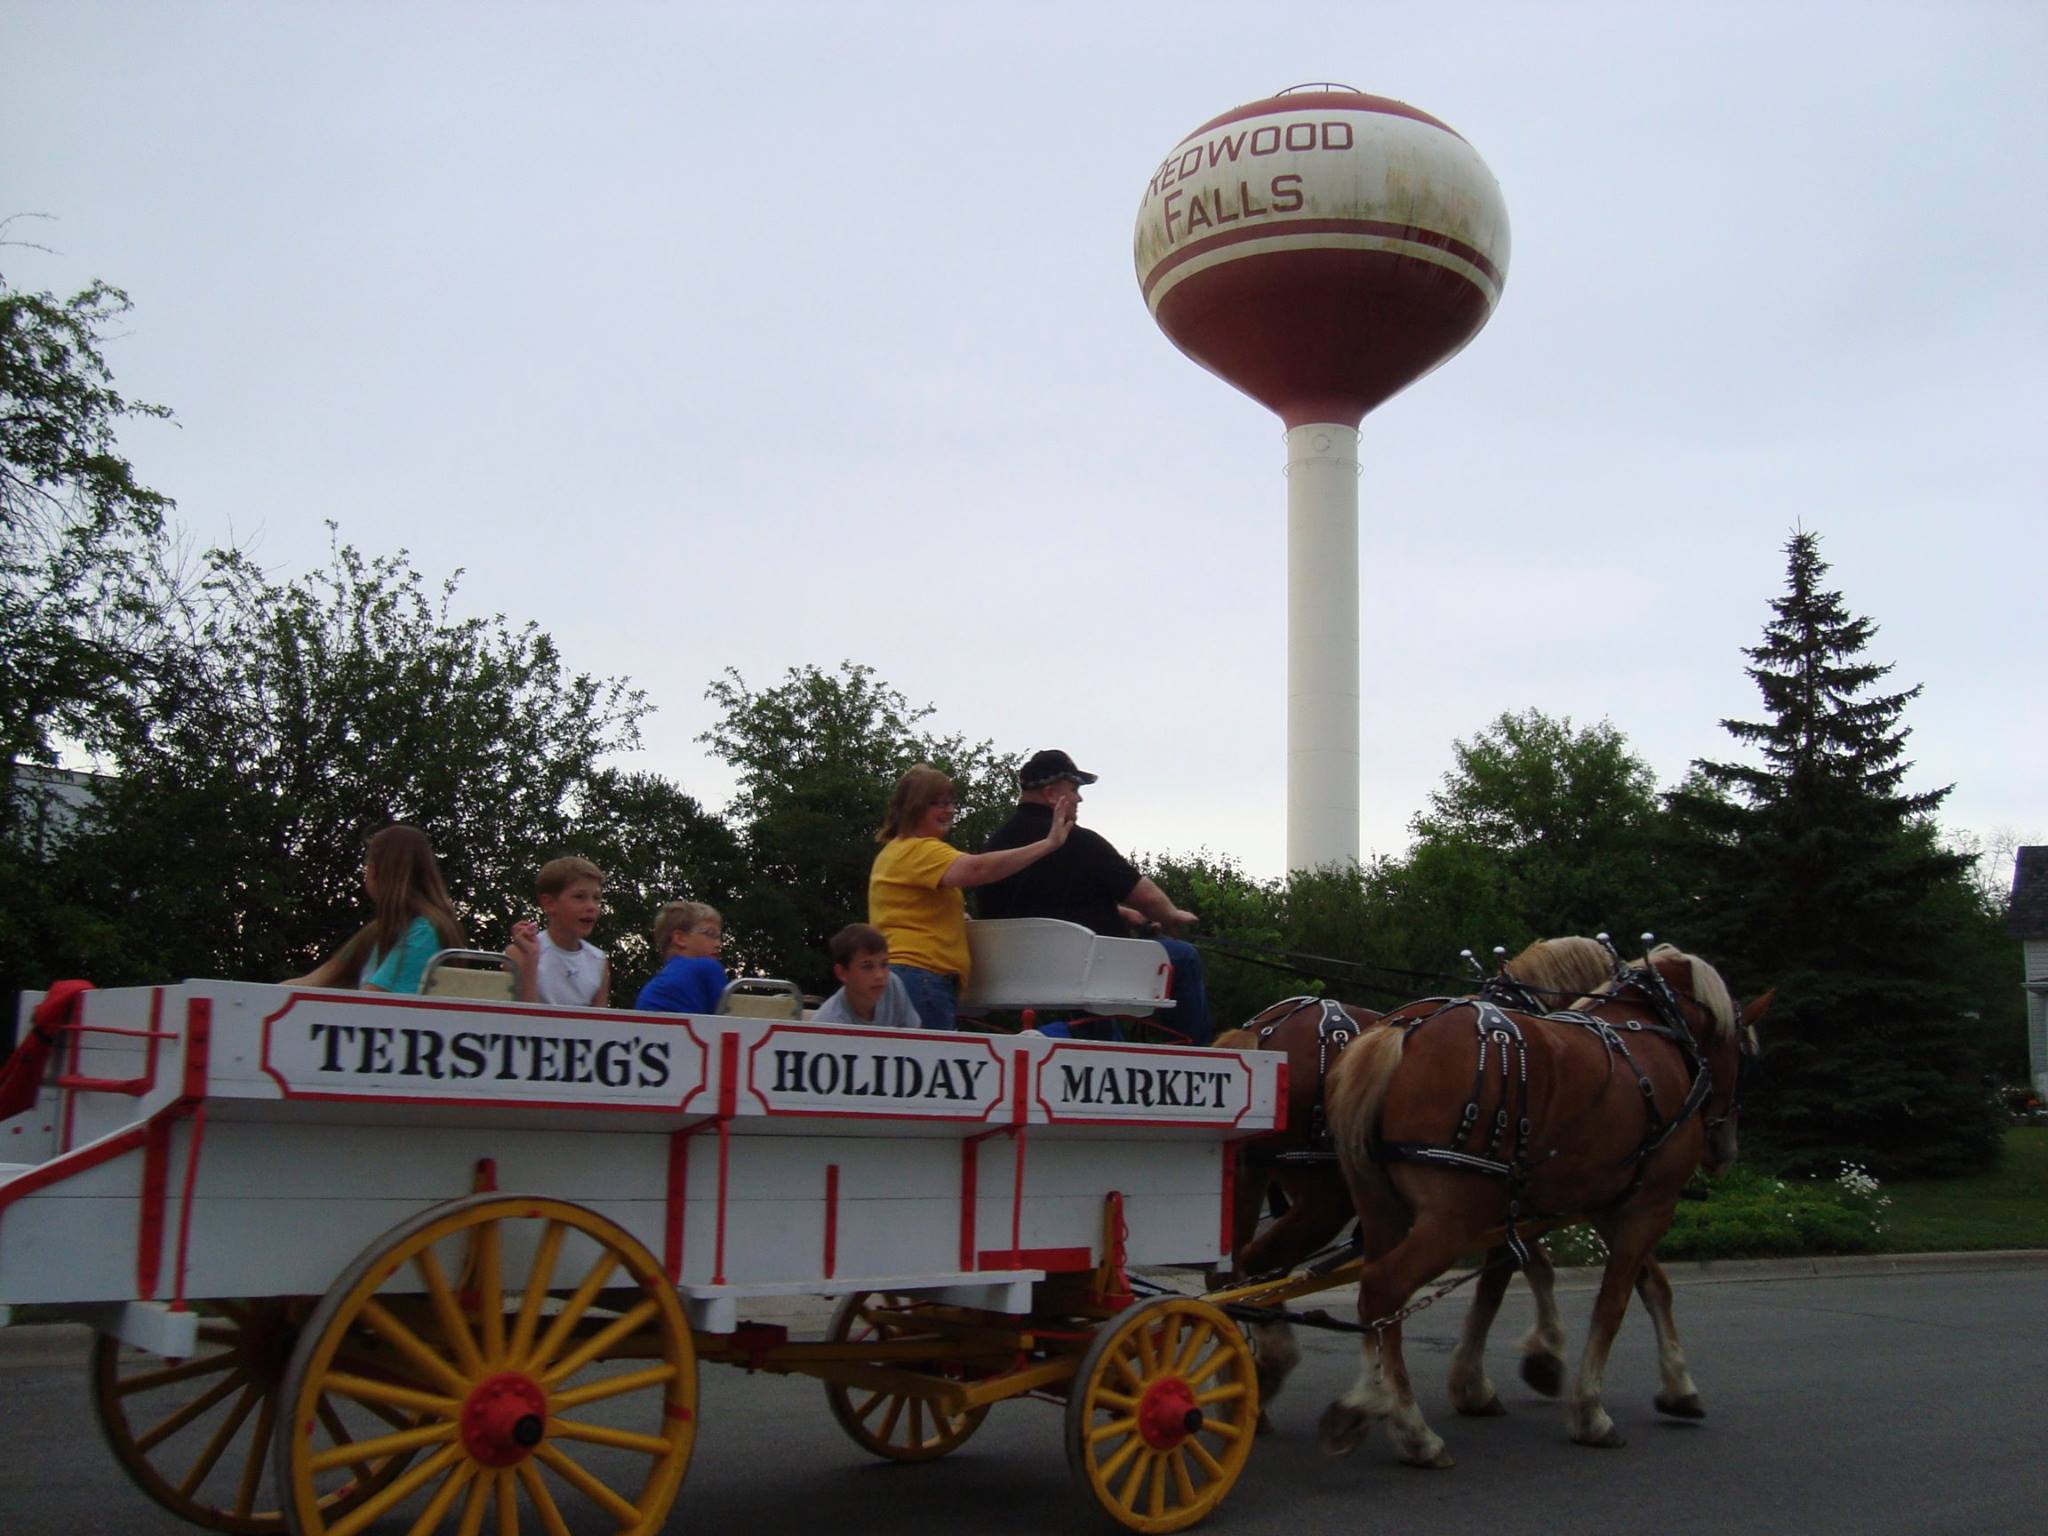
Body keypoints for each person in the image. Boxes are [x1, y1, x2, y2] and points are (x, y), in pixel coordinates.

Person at [978, 749, 1212, 1044]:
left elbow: (1046, 901)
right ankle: (1193, 1058)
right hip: (1082, 968)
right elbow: (1146, 896)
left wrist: (1121, 914)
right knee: (1184, 957)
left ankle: (1054, 1037)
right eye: (1074, 789)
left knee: (1103, 1033)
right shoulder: (1081, 842)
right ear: (1052, 794)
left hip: (1012, 970)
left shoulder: (994, 846)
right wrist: (1171, 915)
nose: (1080, 799)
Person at [868, 764, 1074, 1030]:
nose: (949, 810)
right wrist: (1048, 844)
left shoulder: (894, 853)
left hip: (905, 976)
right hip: (922, 978)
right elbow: (978, 869)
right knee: (932, 1065)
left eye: (950, 802)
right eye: (936, 803)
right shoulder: (920, 851)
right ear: (914, 808)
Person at [288, 824, 467, 995]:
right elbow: (312, 982)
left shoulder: (423, 931)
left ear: (373, 871)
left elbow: (372, 1004)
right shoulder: (377, 931)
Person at [505, 856, 611, 1007]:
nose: (592, 906)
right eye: (579, 897)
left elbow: (600, 1024)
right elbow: (521, 1021)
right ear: (549, 903)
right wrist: (531, 959)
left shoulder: (598, 961)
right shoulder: (520, 953)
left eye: (597, 898)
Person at [811, 923, 919, 1028]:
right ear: (841, 973)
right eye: (867, 966)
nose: (880, 975)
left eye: (884, 964)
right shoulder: (829, 1023)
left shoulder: (892, 983)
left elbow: (916, 1039)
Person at [635, 900, 729, 1014]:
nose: (718, 944)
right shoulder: (707, 967)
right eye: (710, 934)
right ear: (680, 938)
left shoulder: (660, 980)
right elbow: (727, 1020)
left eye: (719, 937)